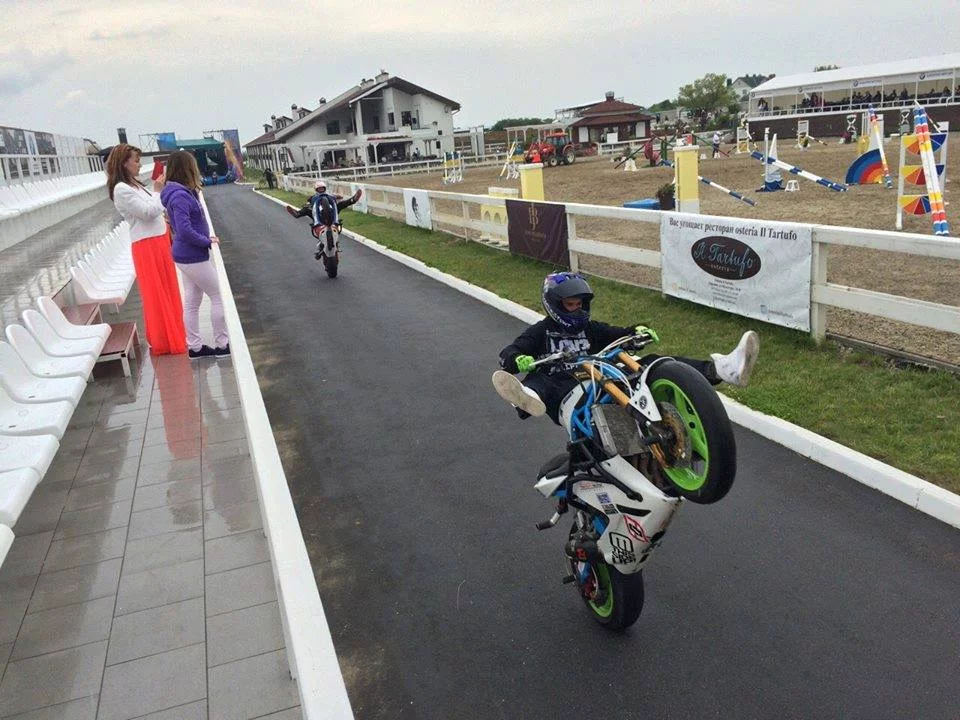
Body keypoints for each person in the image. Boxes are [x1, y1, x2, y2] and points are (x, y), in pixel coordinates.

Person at [492, 272, 759, 424]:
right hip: (563, 389)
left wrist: (637, 332)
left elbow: (618, 334)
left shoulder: (591, 329)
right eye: (570, 305)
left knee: (653, 362)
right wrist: (519, 359)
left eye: (579, 304)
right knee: (540, 379)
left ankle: (722, 370)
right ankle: (526, 398)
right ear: (554, 304)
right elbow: (509, 353)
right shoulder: (540, 331)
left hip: (600, 380)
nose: (576, 309)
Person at [106, 144, 186, 355]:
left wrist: (157, 194)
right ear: (124, 163)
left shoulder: (135, 185)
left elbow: (156, 208)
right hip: (147, 246)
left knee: (168, 290)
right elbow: (148, 212)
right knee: (156, 295)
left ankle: (174, 333)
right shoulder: (121, 189)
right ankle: (165, 340)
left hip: (158, 241)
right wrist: (158, 192)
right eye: (136, 160)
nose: (139, 164)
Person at [160, 150, 229, 359]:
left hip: (186, 254)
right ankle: (222, 344)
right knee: (218, 296)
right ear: (187, 169)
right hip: (191, 255)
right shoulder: (180, 196)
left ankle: (195, 347)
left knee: (192, 301)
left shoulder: (180, 192)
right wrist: (206, 241)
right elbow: (184, 229)